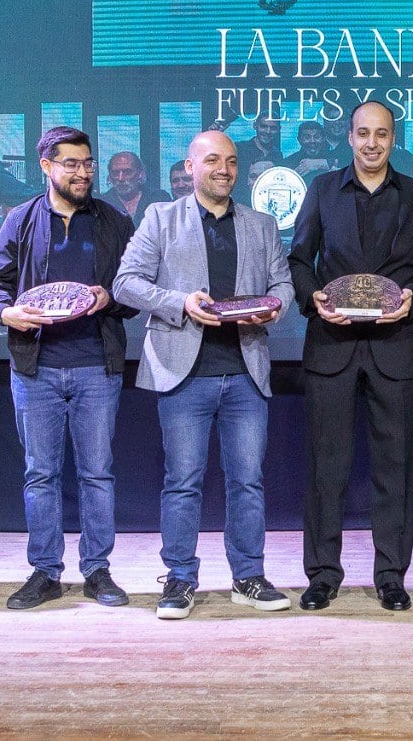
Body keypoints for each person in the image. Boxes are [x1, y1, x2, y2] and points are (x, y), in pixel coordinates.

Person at [113, 131, 295, 620]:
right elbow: (125, 283)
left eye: (231, 162)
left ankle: (248, 577)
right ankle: (179, 579)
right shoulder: (160, 217)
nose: (224, 169)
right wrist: (181, 303)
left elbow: (282, 284)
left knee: (248, 482)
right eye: (212, 160)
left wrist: (272, 309)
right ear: (190, 168)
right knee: (183, 482)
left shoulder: (262, 223)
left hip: (245, 370)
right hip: (183, 373)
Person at [288, 100, 413, 612]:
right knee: (325, 468)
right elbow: (298, 259)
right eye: (363, 133)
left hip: (396, 348)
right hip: (332, 347)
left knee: (394, 469)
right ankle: (322, 575)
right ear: (350, 137)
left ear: (393, 138)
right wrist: (312, 299)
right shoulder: (320, 190)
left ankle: (391, 575)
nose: (372, 143)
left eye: (382, 134)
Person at [0, 126, 138, 610]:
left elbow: (134, 292)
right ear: (46, 166)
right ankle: (45, 571)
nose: (83, 172)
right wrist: (7, 312)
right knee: (40, 474)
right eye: (71, 163)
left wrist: (110, 295)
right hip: (36, 366)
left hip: (97, 365)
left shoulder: (112, 221)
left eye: (88, 163)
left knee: (97, 474)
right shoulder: (22, 220)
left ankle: (97, 570)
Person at [103, 151, 167, 226]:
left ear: (140, 173)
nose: (121, 178)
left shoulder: (158, 198)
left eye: (127, 172)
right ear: (110, 176)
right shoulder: (101, 204)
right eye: (115, 173)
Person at [234, 113, 283, 207]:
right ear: (255, 126)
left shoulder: (277, 154)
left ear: (279, 129)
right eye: (264, 126)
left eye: (273, 128)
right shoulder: (239, 149)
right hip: (241, 208)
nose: (268, 131)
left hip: (265, 206)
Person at [283, 121, 334, 186]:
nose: (312, 141)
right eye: (307, 137)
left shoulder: (333, 158)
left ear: (323, 138)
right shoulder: (288, 163)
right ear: (299, 140)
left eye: (316, 137)